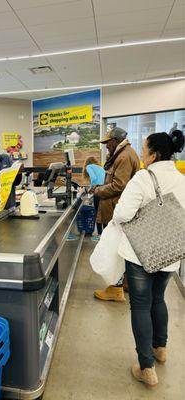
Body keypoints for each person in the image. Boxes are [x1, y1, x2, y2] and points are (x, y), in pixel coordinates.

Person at [112, 130, 185, 387]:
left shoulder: (144, 177)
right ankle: (160, 348)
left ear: (153, 154)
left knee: (140, 306)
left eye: (144, 149)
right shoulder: (181, 178)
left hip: (141, 254)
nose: (141, 154)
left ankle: (146, 368)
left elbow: (121, 214)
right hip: (169, 252)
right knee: (158, 299)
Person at [92, 127, 140, 302]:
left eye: (107, 143)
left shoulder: (124, 156)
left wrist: (98, 190)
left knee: (114, 251)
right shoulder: (123, 154)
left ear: (116, 140)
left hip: (116, 210)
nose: (106, 147)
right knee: (122, 250)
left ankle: (116, 289)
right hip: (117, 209)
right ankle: (125, 283)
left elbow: (119, 185)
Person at [83, 157, 105, 238]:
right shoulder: (100, 168)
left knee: (97, 212)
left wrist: (91, 188)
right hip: (105, 190)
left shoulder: (89, 167)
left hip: (98, 190)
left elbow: (93, 178)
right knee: (103, 213)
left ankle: (99, 234)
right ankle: (104, 234)